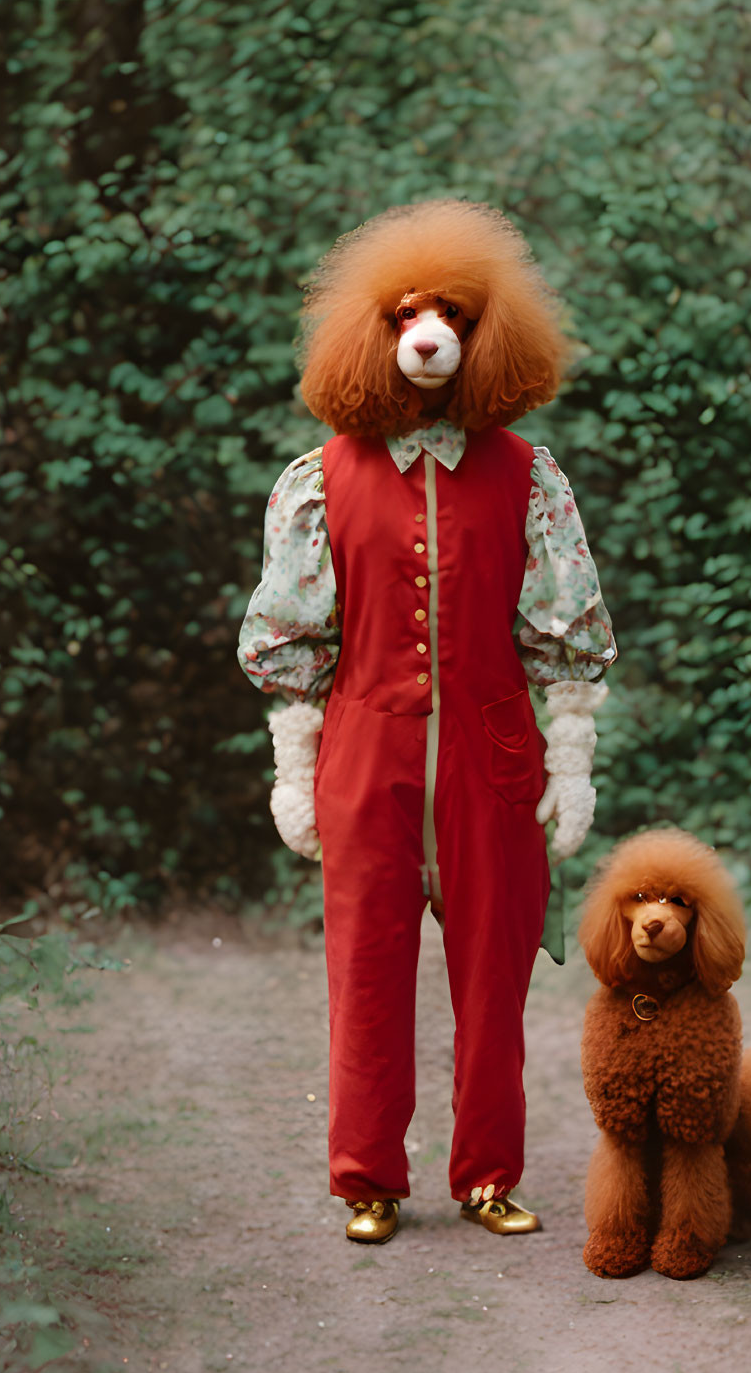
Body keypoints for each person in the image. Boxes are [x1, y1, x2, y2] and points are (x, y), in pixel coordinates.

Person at [238, 201, 615, 1244]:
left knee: (494, 969)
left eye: (450, 310)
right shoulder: (318, 479)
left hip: (496, 753)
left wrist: (571, 756)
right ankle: (368, 1175)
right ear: (378, 331)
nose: (430, 329)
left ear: (485, 329)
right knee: (365, 964)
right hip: (366, 750)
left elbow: (566, 626)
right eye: (410, 311)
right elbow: (291, 632)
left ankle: (488, 1172)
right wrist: (293, 761)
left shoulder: (531, 477)